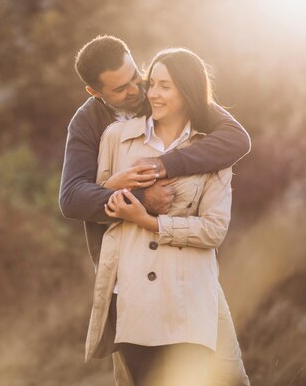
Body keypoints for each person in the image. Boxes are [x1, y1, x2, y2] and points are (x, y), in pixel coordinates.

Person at [59, 37, 250, 385]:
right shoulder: (91, 124)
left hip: (188, 272)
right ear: (94, 91)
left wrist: (164, 166)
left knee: (229, 375)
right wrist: (139, 198)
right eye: (121, 88)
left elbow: (237, 140)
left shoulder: (162, 91)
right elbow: (72, 198)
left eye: (137, 76)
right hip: (130, 271)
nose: (138, 90)